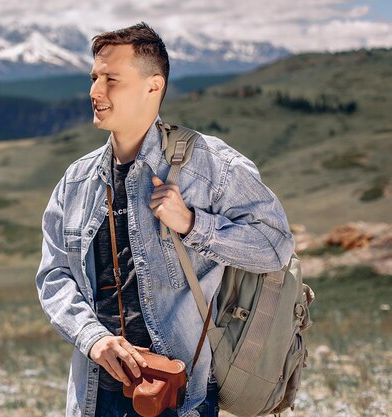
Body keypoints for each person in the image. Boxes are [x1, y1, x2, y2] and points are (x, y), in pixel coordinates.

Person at [35, 22, 295, 417]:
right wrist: (92, 339)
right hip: (93, 395)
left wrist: (193, 224)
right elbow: (53, 275)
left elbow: (276, 245)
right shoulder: (75, 181)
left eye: (111, 79)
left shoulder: (210, 167)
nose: (95, 92)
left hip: (182, 395)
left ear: (153, 87)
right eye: (94, 78)